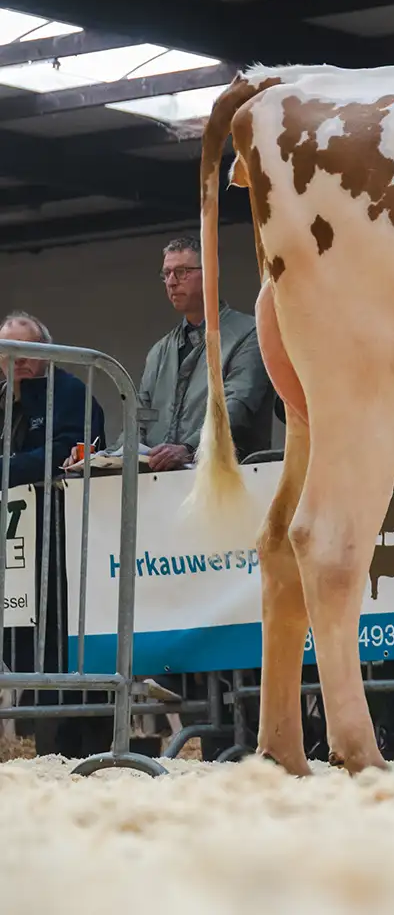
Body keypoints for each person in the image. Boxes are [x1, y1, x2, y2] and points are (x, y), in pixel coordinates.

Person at [0, 311, 109, 757]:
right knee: (25, 644)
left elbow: (66, 452)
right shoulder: (5, 397)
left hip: (64, 539)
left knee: (66, 643)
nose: (19, 361)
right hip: (17, 546)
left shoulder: (70, 391)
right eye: (9, 353)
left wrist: (5, 470)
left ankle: (82, 748)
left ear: (48, 352)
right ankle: (50, 749)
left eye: (27, 350)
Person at [137, 237, 276, 469]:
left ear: (210, 273)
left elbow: (237, 404)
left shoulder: (250, 333)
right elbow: (139, 418)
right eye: (166, 273)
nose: (171, 282)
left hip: (229, 477)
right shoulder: (159, 351)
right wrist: (100, 456)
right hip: (160, 480)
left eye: (181, 272)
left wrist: (189, 448)